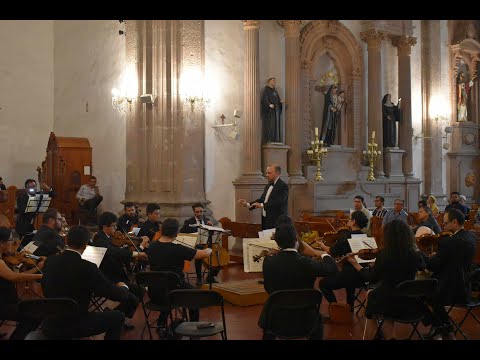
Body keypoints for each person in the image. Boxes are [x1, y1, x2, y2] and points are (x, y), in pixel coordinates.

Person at [41, 225, 136, 340]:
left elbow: (44, 286)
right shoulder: (88, 267)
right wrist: (124, 287)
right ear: (86, 246)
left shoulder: (50, 261)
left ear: (66, 240)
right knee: (118, 317)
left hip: (50, 321)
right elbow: (116, 294)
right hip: (75, 323)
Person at [345, 220, 426, 340]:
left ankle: (373, 335)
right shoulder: (415, 254)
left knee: (371, 295)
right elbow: (422, 266)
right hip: (411, 302)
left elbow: (371, 278)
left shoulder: (385, 254)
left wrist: (355, 264)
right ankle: (388, 336)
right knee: (378, 296)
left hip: (389, 301)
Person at [259, 222, 337, 340]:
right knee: (318, 320)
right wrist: (322, 254)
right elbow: (332, 269)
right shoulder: (307, 262)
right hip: (306, 319)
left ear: (277, 242)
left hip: (277, 318)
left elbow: (268, 288)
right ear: (297, 239)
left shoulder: (268, 262)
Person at [146, 218, 212, 328]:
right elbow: (202, 254)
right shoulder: (178, 248)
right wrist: (209, 249)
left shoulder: (152, 246)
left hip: (154, 293)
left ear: (162, 230)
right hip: (175, 293)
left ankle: (161, 323)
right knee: (195, 295)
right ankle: (193, 328)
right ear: (176, 232)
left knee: (165, 283)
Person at [422, 209, 477, 340]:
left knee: (419, 294)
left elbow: (432, 265)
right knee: (431, 297)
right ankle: (443, 329)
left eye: (445, 223)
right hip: (465, 285)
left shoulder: (449, 242)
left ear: (454, 222)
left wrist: (422, 256)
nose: (443, 226)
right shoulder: (471, 237)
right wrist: (440, 255)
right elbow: (453, 259)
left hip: (449, 289)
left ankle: (441, 327)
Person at [92, 211, 147, 328]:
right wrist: (136, 253)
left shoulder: (107, 238)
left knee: (140, 291)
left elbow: (117, 250)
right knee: (133, 298)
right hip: (107, 279)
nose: (115, 228)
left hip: (115, 276)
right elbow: (114, 252)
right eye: (113, 226)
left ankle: (117, 318)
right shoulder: (99, 240)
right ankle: (115, 318)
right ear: (105, 226)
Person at [318, 210, 370, 310]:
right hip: (363, 277)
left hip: (349, 275)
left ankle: (337, 308)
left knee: (323, 284)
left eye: (350, 219)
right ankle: (350, 307)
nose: (348, 220)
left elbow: (332, 251)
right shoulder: (366, 237)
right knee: (349, 281)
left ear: (354, 221)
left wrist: (322, 245)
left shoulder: (346, 237)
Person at [0, 227, 44, 340]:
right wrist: (41, 276)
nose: (14, 243)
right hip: (4, 305)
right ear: (1, 243)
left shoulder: (3, 258)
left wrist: (37, 268)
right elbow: (14, 277)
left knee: (32, 309)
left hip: (9, 301)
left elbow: (17, 277)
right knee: (34, 317)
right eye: (10, 240)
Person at [179, 203, 220, 286]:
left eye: (201, 211)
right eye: (197, 212)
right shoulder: (189, 221)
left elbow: (212, 234)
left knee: (218, 255)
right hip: (195, 245)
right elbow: (182, 232)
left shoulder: (207, 220)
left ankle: (210, 276)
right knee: (199, 253)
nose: (199, 214)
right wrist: (193, 229)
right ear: (194, 212)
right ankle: (199, 278)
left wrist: (211, 227)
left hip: (206, 244)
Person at [238, 164, 288, 230]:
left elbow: (279, 202)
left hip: (277, 220)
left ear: (277, 173)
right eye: (266, 173)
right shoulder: (268, 186)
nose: (267, 175)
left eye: (269, 173)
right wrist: (247, 204)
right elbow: (262, 200)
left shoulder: (283, 186)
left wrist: (262, 205)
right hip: (266, 219)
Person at [261, 77, 283, 144]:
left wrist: (280, 102)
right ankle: (270, 139)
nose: (274, 82)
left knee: (277, 125)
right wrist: (269, 104)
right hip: (270, 111)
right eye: (273, 81)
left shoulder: (275, 91)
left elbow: (277, 99)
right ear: (269, 82)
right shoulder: (266, 89)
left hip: (276, 110)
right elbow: (265, 98)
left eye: (275, 81)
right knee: (271, 125)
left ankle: (276, 139)